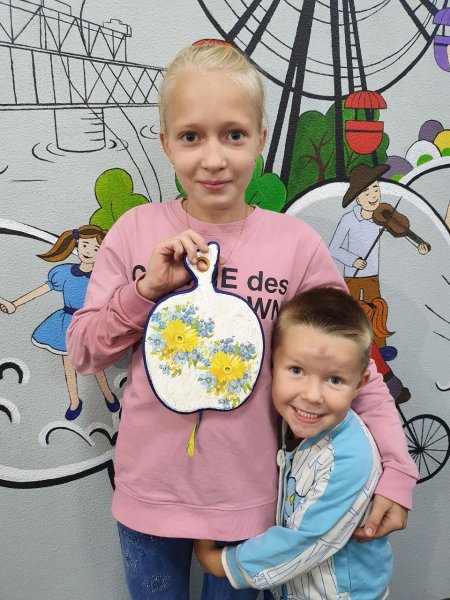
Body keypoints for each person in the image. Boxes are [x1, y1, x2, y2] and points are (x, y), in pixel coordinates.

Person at [66, 42, 417, 600]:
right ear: (165, 142)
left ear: (259, 138)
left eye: (233, 134)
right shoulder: (135, 231)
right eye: (191, 136)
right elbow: (84, 352)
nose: (213, 159)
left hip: (251, 506)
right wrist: (145, 291)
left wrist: (397, 471)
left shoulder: (296, 246)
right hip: (147, 498)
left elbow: (357, 366)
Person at [194, 287, 392, 599]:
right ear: (272, 366)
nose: (312, 395)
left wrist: (220, 563)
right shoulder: (292, 424)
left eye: (335, 380)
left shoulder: (349, 459)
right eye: (297, 370)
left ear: (359, 384)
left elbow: (302, 542)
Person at [0, 225, 119, 420]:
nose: (88, 251)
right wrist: (15, 304)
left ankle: (108, 395)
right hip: (67, 322)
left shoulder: (103, 277)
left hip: (91, 323)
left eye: (96, 248)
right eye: (85, 245)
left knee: (96, 364)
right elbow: (42, 290)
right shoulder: (64, 273)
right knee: (68, 364)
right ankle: (74, 401)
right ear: (77, 245)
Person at [328, 163, 430, 360]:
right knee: (353, 311)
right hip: (353, 277)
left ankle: (380, 347)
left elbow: (401, 231)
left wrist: (418, 243)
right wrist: (353, 260)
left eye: (375, 189)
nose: (373, 195)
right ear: (358, 198)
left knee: (378, 309)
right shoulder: (349, 219)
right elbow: (333, 248)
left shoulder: (382, 217)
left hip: (372, 277)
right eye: (367, 192)